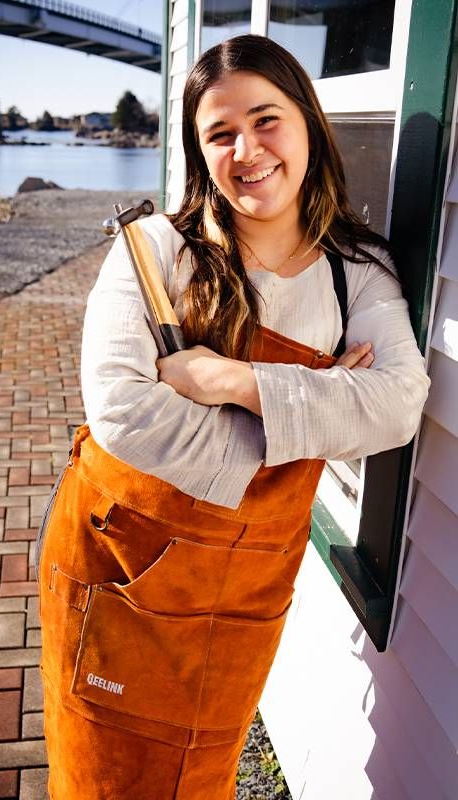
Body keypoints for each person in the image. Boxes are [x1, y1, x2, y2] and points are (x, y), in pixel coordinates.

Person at [35, 34, 430, 799]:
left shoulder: (359, 277)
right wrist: (315, 409)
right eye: (220, 133)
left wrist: (228, 377)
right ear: (199, 152)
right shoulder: (154, 252)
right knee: (100, 779)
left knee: (203, 775)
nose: (247, 149)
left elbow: (397, 406)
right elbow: (124, 413)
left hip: (244, 592)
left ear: (308, 122)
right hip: (119, 563)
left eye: (266, 119)